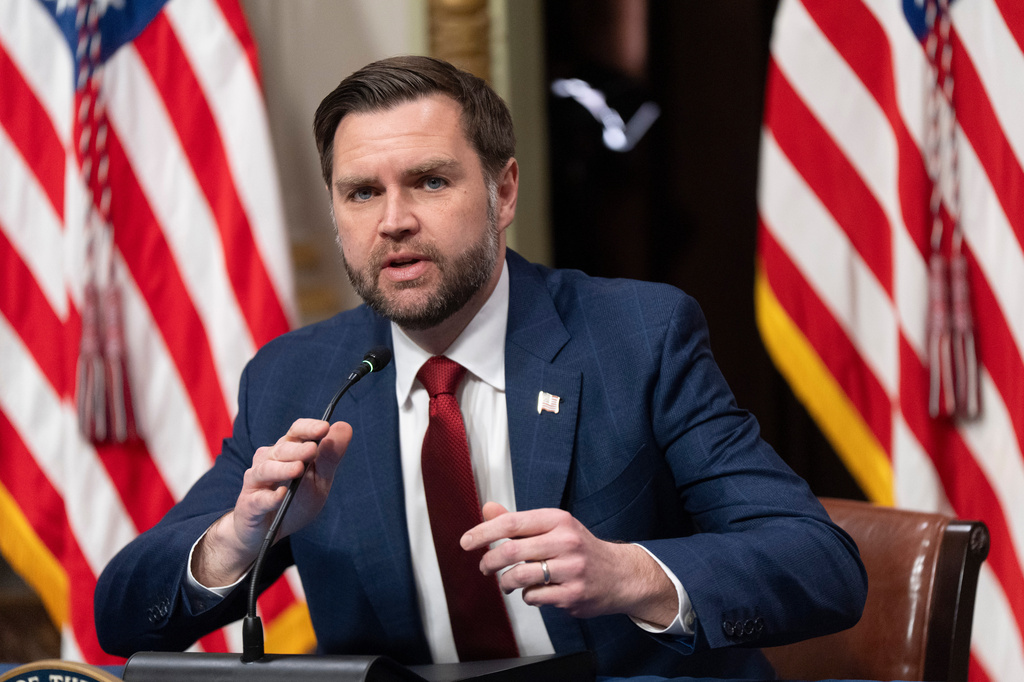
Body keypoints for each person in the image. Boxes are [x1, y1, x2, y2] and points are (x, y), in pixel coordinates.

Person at [94, 55, 866, 680]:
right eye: (362, 193)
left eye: (430, 181)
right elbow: (121, 614)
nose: (393, 220)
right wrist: (236, 539)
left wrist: (630, 573)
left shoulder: (636, 335)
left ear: (503, 192)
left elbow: (820, 565)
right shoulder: (297, 376)